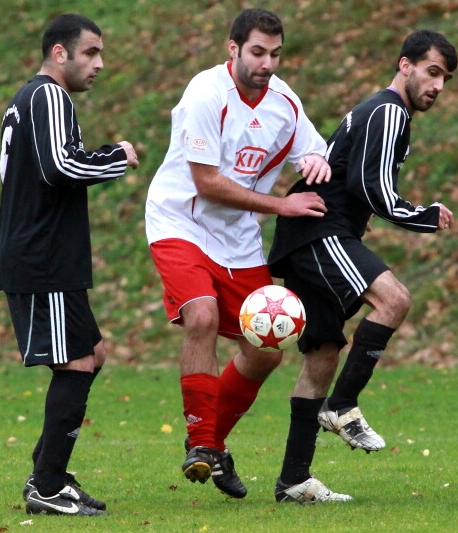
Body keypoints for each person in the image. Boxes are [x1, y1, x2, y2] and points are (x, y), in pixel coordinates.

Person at [144, 8, 349, 501]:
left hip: (237, 239)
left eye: (275, 54)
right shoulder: (206, 92)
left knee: (265, 350)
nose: (267, 63)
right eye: (257, 52)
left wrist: (315, 160)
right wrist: (282, 205)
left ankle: (211, 446)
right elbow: (206, 182)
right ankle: (201, 441)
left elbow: (312, 150)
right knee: (202, 315)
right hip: (179, 222)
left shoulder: (284, 103)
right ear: (233, 48)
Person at [268, 29, 458, 503]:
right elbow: (370, 188)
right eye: (432, 72)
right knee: (394, 299)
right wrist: (425, 214)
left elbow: (357, 180)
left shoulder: (379, 110)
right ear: (405, 65)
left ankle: (294, 480)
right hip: (321, 230)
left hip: (314, 232)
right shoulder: (390, 110)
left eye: (445, 79)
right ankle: (342, 406)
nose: (438, 86)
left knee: (323, 353)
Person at [0, 13, 138, 517]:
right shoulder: (49, 97)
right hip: (43, 258)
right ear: (60, 53)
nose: (99, 64)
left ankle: (47, 471)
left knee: (92, 353)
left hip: (47, 255)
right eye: (91, 52)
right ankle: (47, 485)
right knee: (77, 362)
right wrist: (116, 156)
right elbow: (60, 166)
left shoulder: (28, 100)